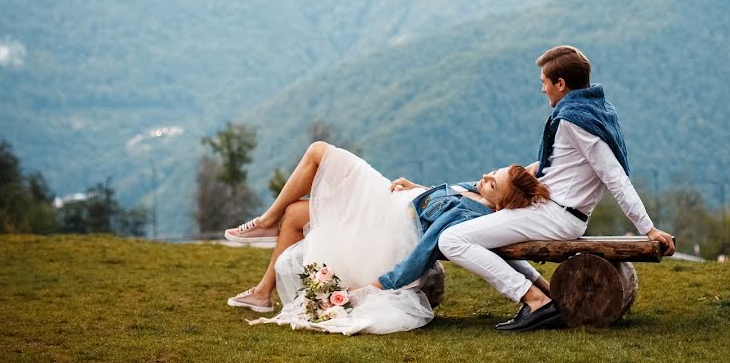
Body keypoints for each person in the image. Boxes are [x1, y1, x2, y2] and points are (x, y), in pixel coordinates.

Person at [437, 45, 676, 332]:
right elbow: (570, 161)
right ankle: (544, 293)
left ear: (560, 84)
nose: (542, 90)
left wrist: (648, 229)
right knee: (479, 233)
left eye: (544, 83)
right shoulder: (593, 109)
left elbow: (614, 177)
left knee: (450, 240)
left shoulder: (576, 121)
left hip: (556, 216)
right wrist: (531, 171)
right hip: (555, 211)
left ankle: (535, 300)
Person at [224, 141, 550, 334]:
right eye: (493, 171)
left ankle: (268, 220)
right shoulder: (478, 193)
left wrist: (379, 285)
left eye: (493, 183)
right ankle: (262, 294)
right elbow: (436, 200)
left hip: (387, 218)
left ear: (498, 205)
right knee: (295, 214)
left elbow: (426, 246)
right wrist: (417, 188)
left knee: (320, 151)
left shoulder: (469, 215)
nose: (485, 177)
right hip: (393, 200)